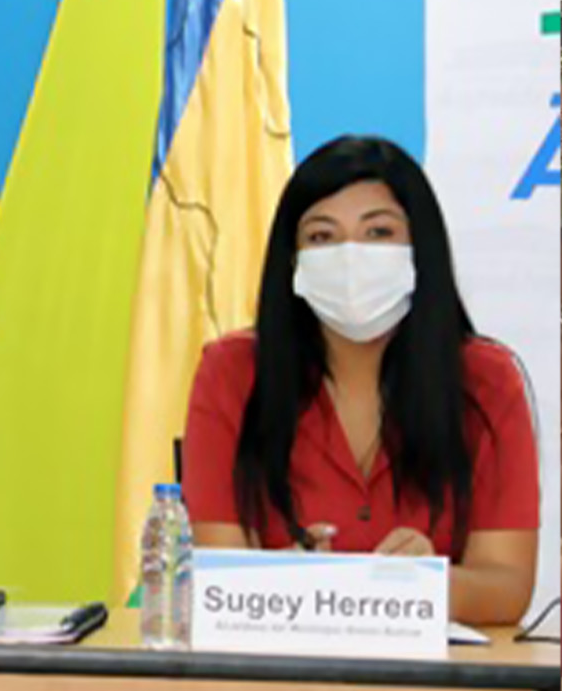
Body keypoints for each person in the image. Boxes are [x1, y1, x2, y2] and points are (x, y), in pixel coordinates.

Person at [183, 135, 538, 624]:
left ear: (419, 250)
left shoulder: (487, 380)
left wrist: (424, 585)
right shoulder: (232, 372)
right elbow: (215, 577)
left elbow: (507, 587)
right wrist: (294, 582)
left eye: (378, 232)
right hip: (282, 660)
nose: (350, 256)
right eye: (322, 237)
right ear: (292, 262)